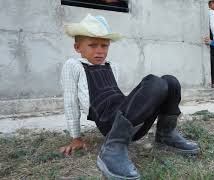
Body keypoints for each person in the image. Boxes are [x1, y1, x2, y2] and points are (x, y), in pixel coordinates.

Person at [59, 14, 199, 180]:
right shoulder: (73, 65)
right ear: (78, 48)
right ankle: (112, 148)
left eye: (104, 46)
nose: (99, 51)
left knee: (170, 81)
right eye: (93, 45)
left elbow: (119, 98)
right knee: (155, 82)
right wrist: (76, 138)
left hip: (129, 120)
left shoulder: (112, 66)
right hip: (109, 123)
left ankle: (165, 134)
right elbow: (70, 102)